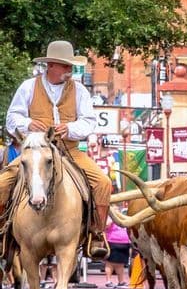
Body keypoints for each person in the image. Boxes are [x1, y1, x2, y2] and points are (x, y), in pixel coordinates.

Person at [0, 40, 110, 259]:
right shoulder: (28, 86)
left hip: (70, 151)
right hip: (34, 152)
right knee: (2, 183)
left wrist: (69, 129)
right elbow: (12, 118)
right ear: (50, 65)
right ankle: (3, 232)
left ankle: (96, 234)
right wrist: (28, 124)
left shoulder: (79, 90)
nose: (69, 70)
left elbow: (89, 121)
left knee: (103, 183)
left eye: (70, 66)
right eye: (65, 65)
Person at [103, 214, 131, 287]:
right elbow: (105, 226)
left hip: (125, 243)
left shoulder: (124, 219)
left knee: (121, 264)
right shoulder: (110, 219)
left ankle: (121, 281)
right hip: (112, 242)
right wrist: (111, 220)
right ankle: (108, 281)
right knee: (109, 263)